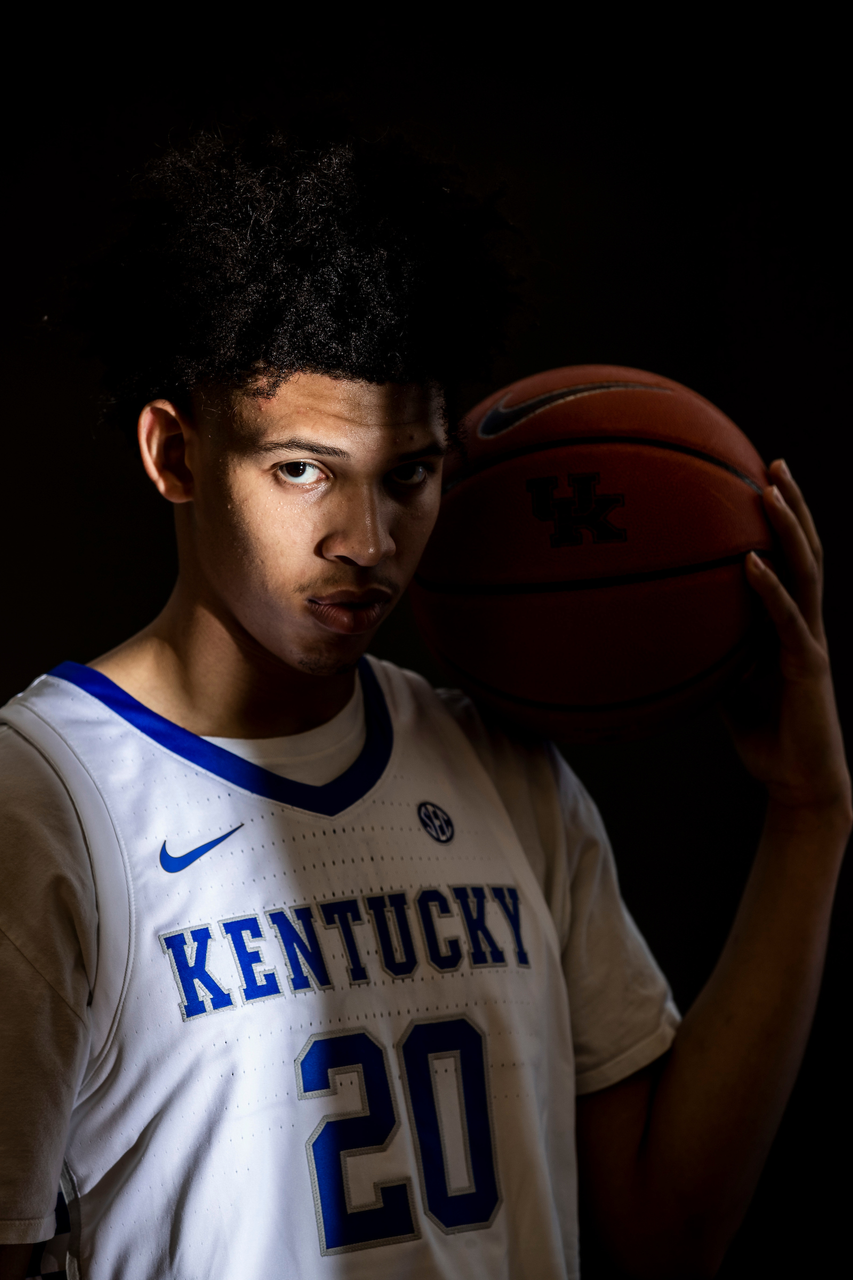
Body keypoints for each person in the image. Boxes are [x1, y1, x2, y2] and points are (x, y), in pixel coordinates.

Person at [0, 125, 848, 1280]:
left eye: (409, 474)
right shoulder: (46, 802)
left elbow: (666, 1230)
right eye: (302, 469)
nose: (367, 541)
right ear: (175, 454)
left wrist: (808, 815)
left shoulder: (501, 769)